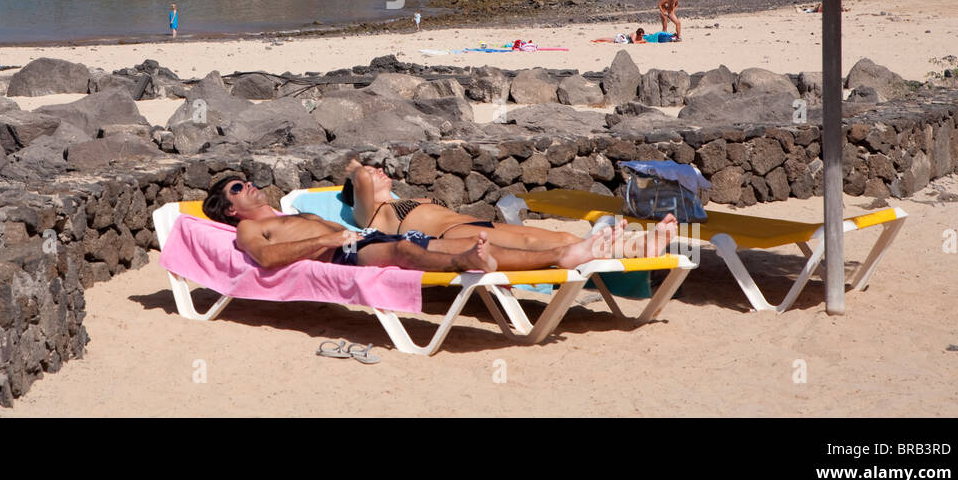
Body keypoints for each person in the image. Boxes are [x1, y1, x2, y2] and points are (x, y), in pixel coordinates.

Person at [204, 176, 640, 272]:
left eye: (250, 181)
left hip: (363, 238)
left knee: (467, 245)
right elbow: (265, 257)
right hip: (345, 251)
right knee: (406, 251)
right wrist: (330, 238)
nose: (253, 186)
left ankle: (565, 254)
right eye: (240, 187)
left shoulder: (297, 213)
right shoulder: (248, 231)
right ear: (230, 209)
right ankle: (562, 256)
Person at [339, 163, 676, 267]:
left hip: (473, 224)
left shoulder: (400, 199)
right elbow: (362, 178)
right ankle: (629, 248)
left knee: (559, 237)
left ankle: (634, 247)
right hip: (454, 237)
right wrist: (355, 168)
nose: (378, 170)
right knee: (530, 240)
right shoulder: (372, 213)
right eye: (373, 170)